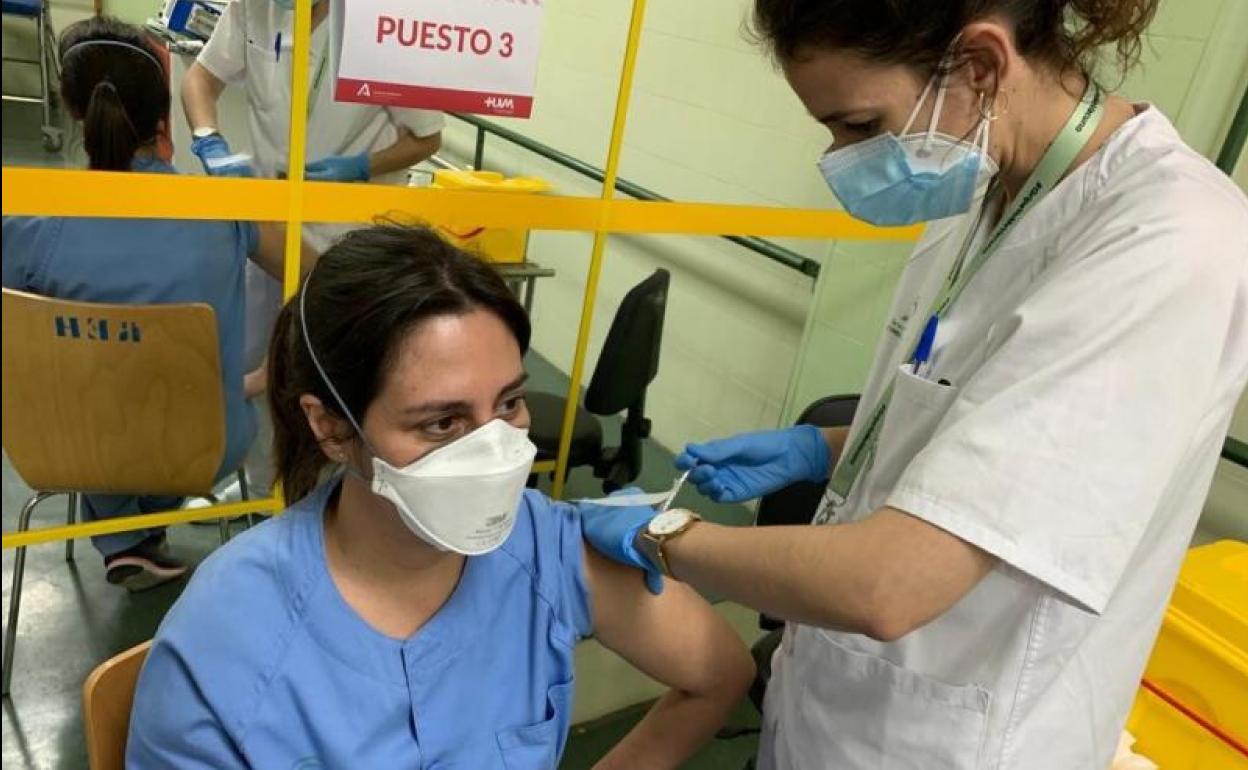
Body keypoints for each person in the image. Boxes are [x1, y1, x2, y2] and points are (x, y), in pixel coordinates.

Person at [579, 1, 1248, 768]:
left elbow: (890, 585)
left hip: (954, 739)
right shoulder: (983, 184)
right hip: (833, 705)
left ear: (981, 65)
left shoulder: (1167, 242)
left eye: (860, 125)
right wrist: (824, 447)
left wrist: (666, 537)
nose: (842, 159)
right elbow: (987, 441)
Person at [126, 225, 755, 769]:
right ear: (332, 427)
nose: (494, 451)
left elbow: (719, 672)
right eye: (443, 423)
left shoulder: (546, 546)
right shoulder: (228, 639)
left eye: (508, 403)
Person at [1, 16, 311, 591]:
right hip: (206, 443)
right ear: (163, 116)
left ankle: (124, 537)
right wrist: (269, 373)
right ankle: (134, 535)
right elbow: (319, 275)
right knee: (139, 399)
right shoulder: (224, 210)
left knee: (93, 392)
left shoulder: (30, 219)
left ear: (72, 109)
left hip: (63, 443)